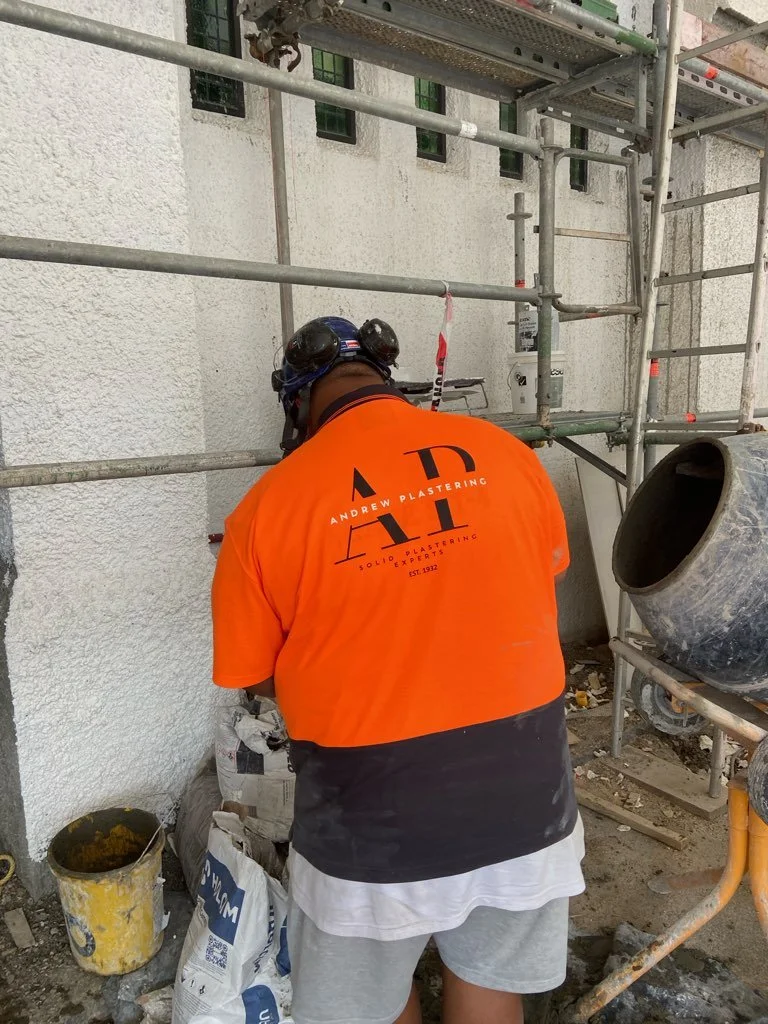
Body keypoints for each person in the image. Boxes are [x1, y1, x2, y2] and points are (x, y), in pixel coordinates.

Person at [211, 315, 584, 1024]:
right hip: (528, 798)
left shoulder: (265, 511)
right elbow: (541, 578)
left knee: (370, 1002)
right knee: (486, 978)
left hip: (370, 821)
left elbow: (254, 678)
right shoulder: (504, 453)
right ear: (387, 380)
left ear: (298, 402)